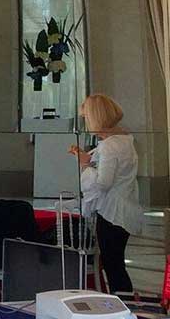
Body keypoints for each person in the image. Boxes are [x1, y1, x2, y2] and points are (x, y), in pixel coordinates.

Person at [69, 93, 143, 301]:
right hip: (124, 207)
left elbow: (103, 183)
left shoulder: (109, 145)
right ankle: (125, 302)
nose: (86, 123)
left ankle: (123, 305)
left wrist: (85, 164)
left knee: (113, 265)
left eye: (86, 118)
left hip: (112, 212)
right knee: (116, 263)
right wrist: (90, 160)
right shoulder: (125, 140)